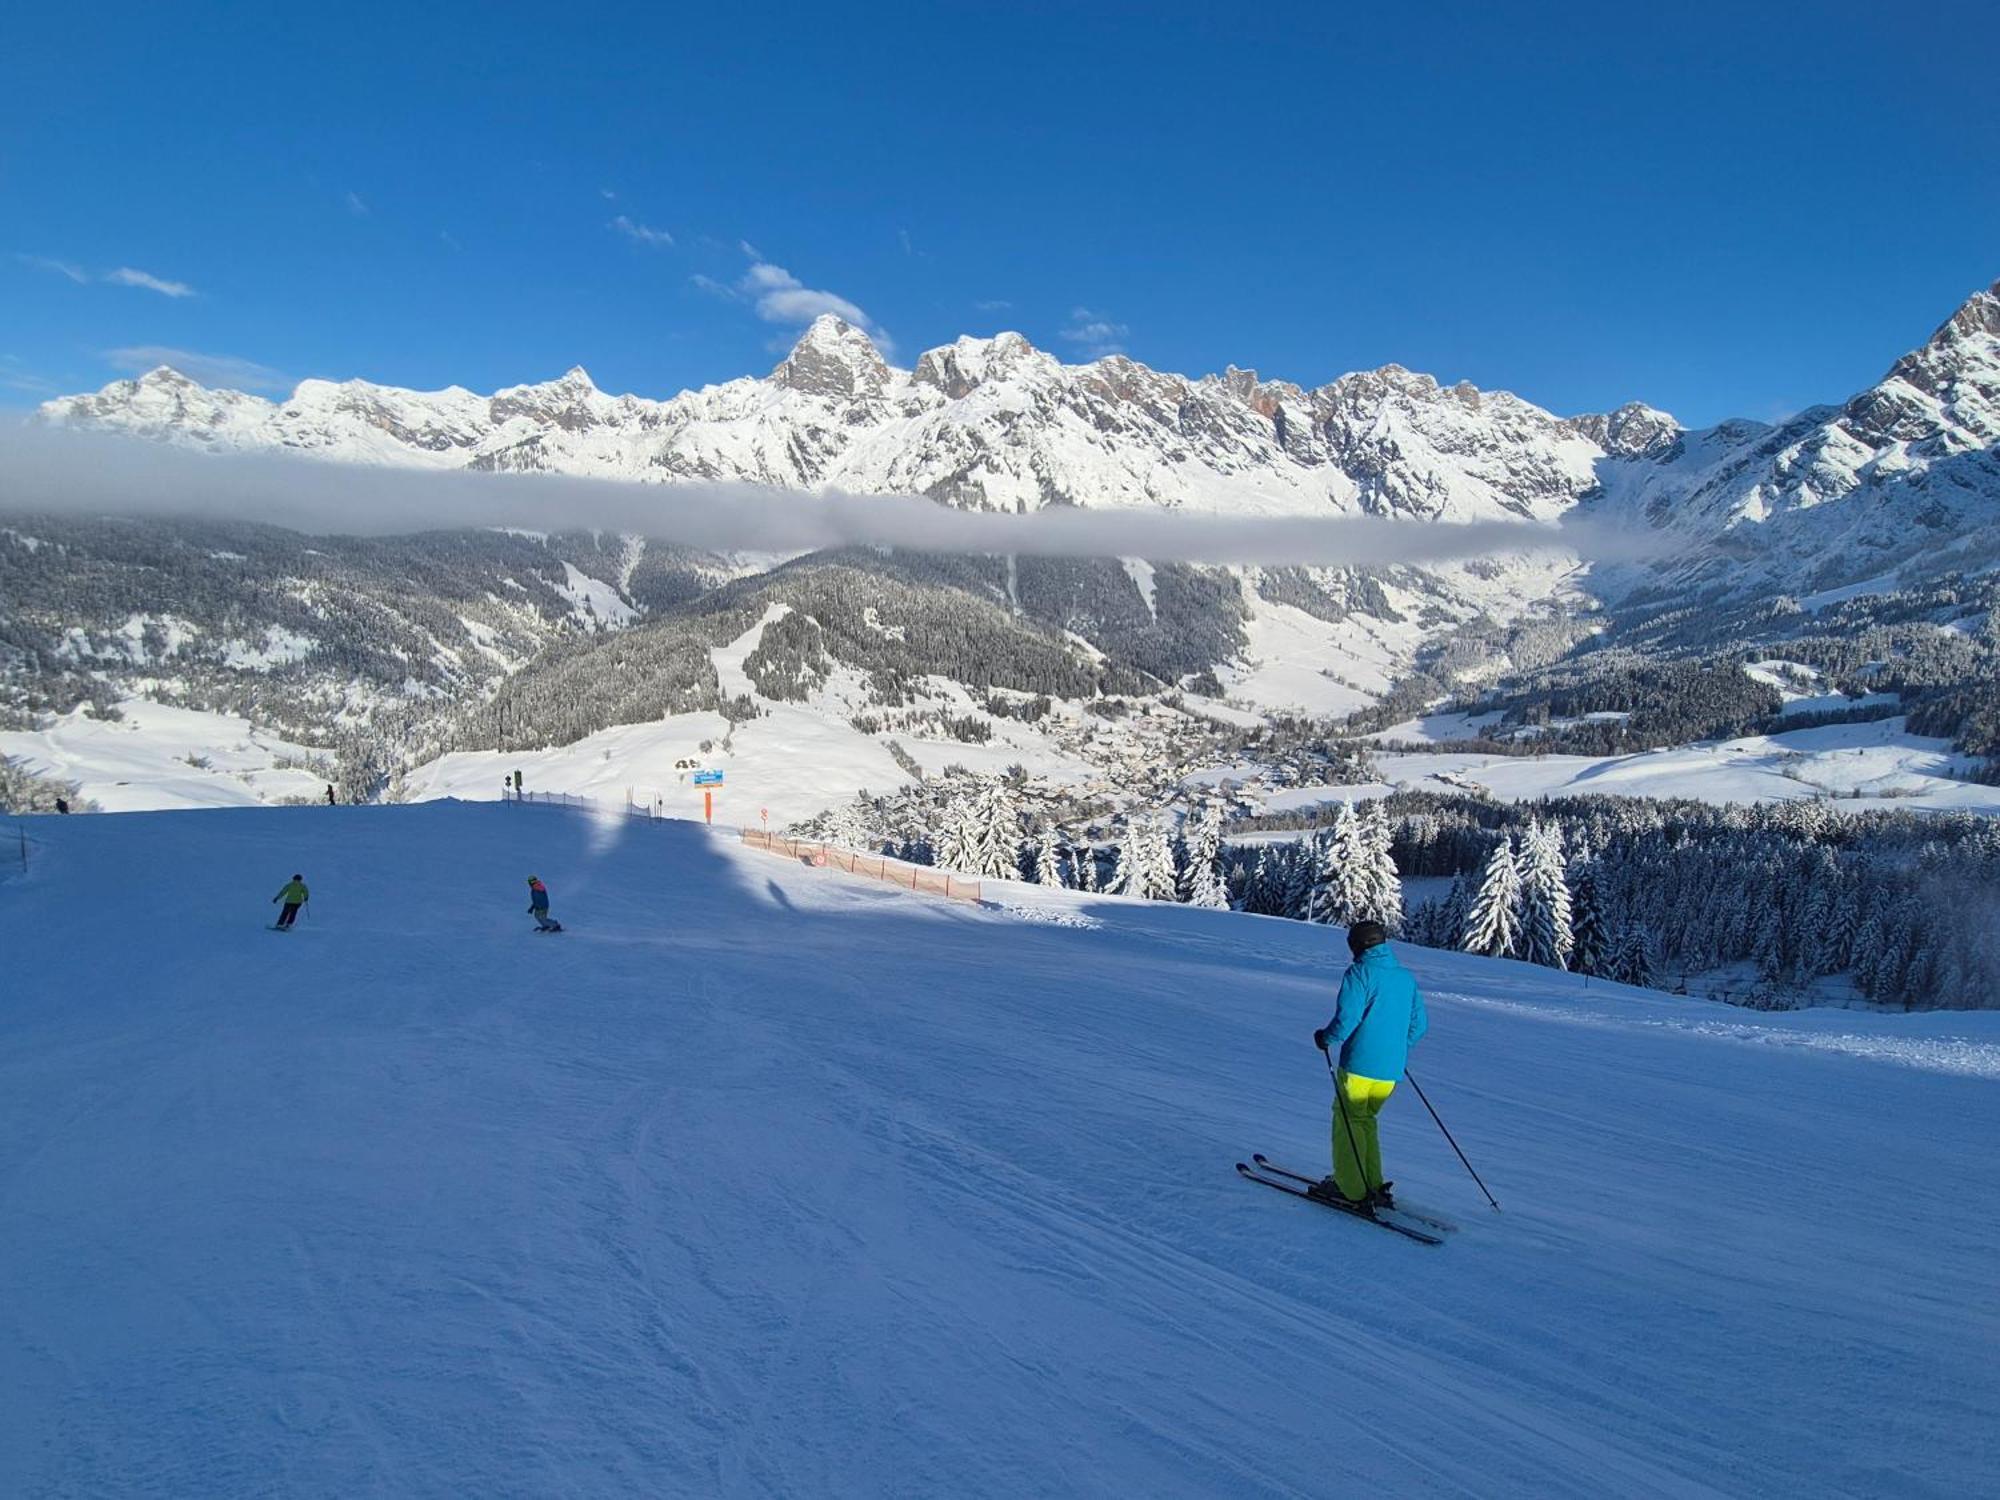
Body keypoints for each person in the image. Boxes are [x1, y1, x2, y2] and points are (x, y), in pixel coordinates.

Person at [1310, 919, 1427, 1208]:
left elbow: (1346, 1019)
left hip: (1359, 1065)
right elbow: (1419, 1025)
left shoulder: (1360, 973)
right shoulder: (1405, 977)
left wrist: (1326, 1038)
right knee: (1365, 1121)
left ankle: (1350, 1188)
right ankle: (1372, 1183)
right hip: (1391, 1071)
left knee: (1348, 1121)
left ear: (1358, 945)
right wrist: (1396, 1049)